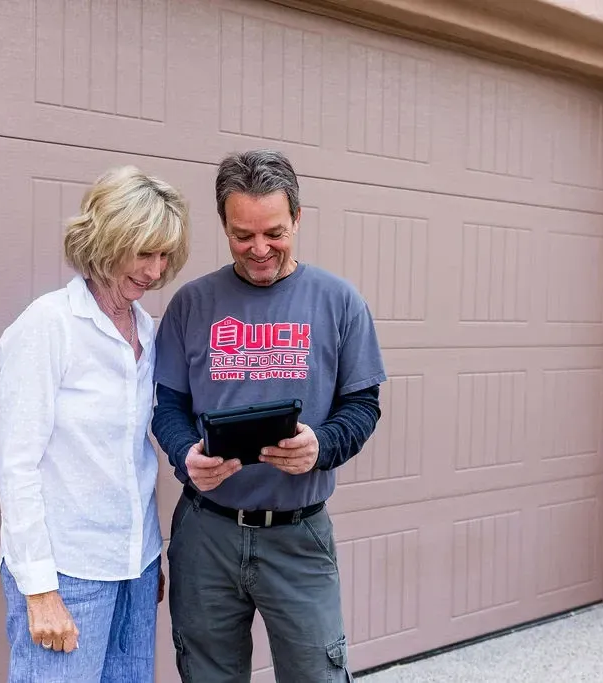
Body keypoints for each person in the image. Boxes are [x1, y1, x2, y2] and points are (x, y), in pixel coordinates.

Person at [151, 149, 387, 682]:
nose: (259, 249)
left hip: (298, 535)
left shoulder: (339, 302)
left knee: (316, 674)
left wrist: (322, 446)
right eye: (243, 235)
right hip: (206, 533)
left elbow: (363, 405)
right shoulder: (191, 304)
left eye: (274, 233)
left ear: (297, 218)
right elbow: (168, 406)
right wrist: (186, 454)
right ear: (224, 226)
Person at [0, 165, 190, 682]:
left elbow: (131, 457)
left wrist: (146, 557)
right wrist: (39, 589)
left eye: (164, 256)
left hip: (134, 567)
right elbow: (17, 465)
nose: (155, 271)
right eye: (143, 253)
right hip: (66, 571)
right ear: (107, 241)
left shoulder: (146, 330)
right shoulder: (48, 326)